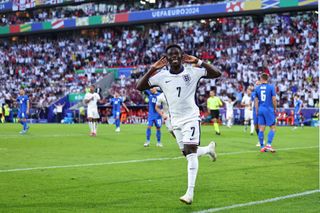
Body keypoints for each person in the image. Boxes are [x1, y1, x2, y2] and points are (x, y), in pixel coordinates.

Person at [137, 44, 221, 205]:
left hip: (191, 117)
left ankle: (189, 193)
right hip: (175, 120)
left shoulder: (193, 71)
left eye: (177, 54)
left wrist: (199, 61)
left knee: (190, 153)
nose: (174, 56)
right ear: (166, 58)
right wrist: (152, 68)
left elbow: (217, 73)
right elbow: (139, 86)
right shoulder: (161, 76)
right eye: (171, 55)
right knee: (187, 153)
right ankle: (208, 149)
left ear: (182, 56)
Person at [254, 73, 277, 153]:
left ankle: (262, 146)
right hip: (268, 109)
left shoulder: (257, 88)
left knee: (261, 129)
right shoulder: (271, 87)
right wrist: (275, 108)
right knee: (273, 128)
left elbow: (256, 100)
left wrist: (257, 110)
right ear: (267, 79)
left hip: (260, 109)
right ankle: (269, 144)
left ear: (261, 79)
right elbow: (274, 99)